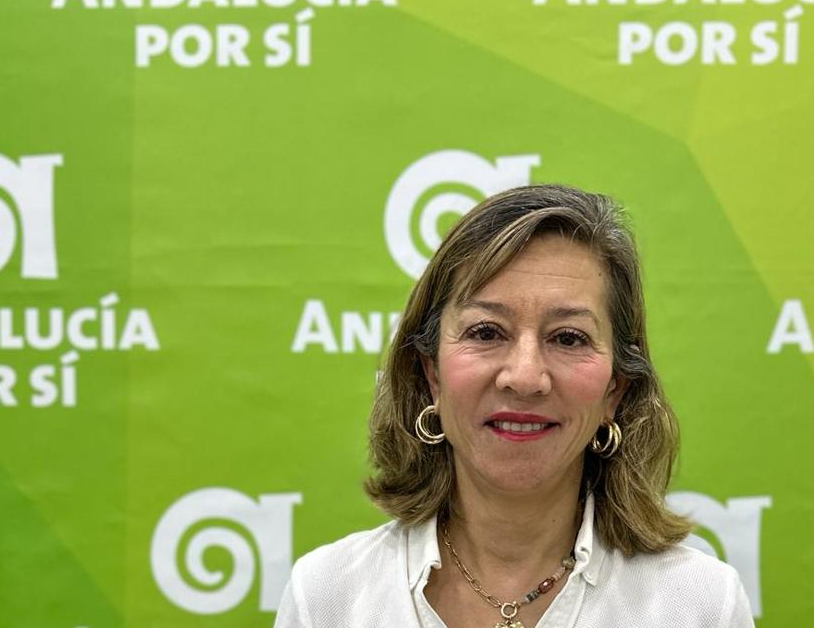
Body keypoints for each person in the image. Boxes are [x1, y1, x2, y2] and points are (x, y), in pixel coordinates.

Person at [276, 185, 754, 627]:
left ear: (615, 389)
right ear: (432, 374)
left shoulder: (700, 605)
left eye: (568, 338)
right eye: (486, 332)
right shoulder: (328, 599)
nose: (525, 377)